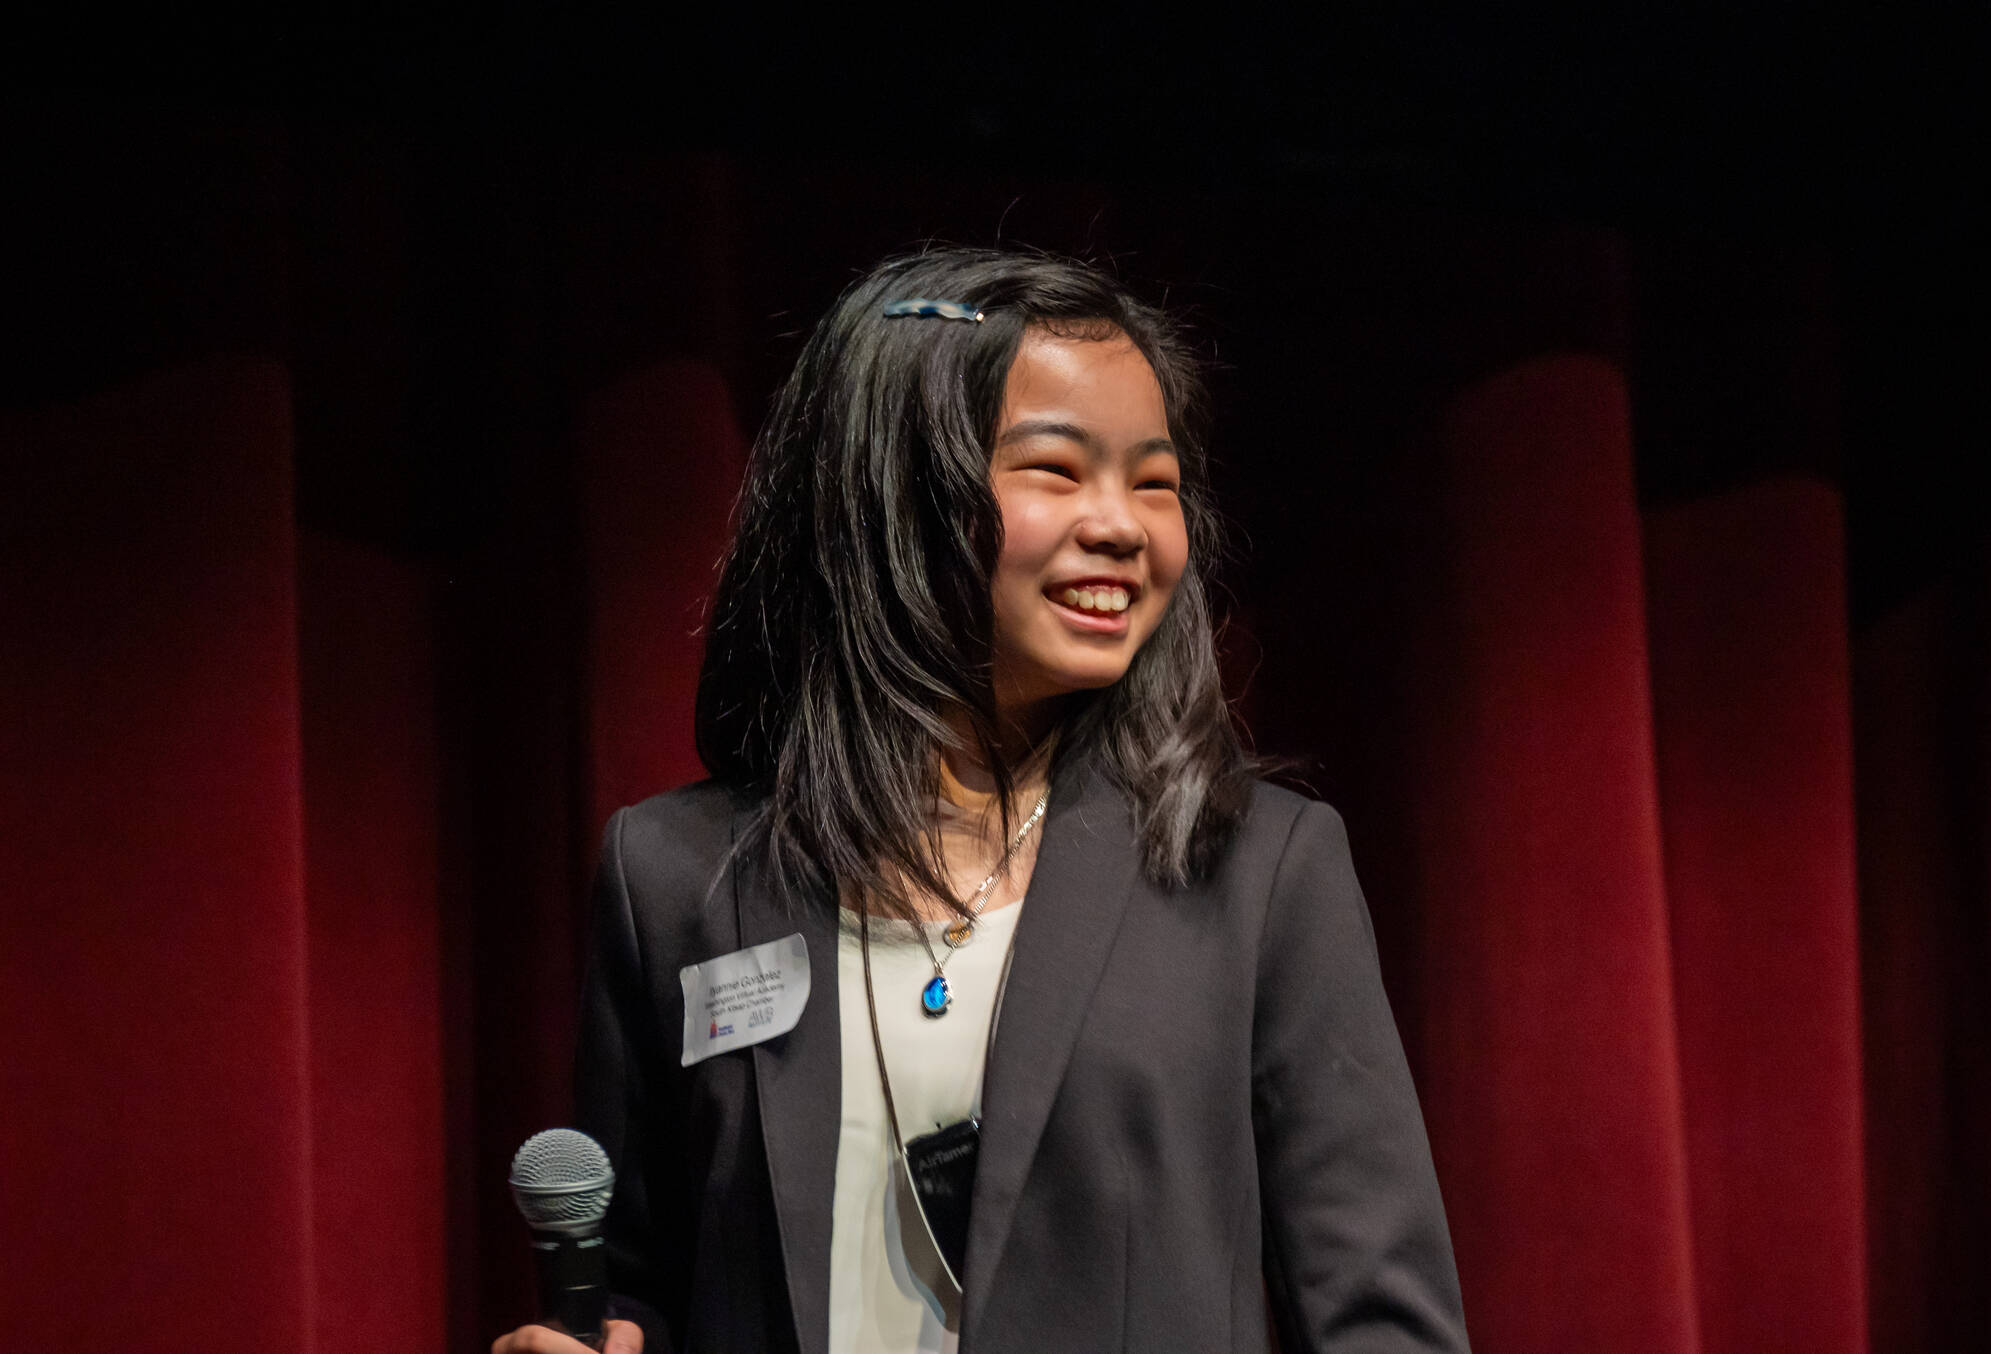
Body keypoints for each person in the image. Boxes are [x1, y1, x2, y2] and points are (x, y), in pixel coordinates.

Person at [493, 247, 1469, 1354]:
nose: (1120, 524)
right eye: (1056, 470)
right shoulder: (674, 877)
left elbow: (1384, 1325)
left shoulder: (1253, 872)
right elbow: (641, 1286)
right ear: (894, 493)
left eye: (1153, 481)